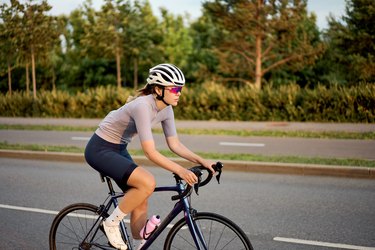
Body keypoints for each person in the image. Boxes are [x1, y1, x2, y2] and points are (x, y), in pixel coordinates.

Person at [85, 63, 215, 249]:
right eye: (175, 89)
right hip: (100, 149)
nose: (179, 93)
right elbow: (150, 152)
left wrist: (202, 161)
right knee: (148, 182)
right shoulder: (142, 106)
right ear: (157, 89)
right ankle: (110, 223)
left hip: (119, 148)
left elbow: (174, 144)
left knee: (141, 195)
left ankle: (139, 245)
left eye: (181, 89)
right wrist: (180, 170)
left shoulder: (167, 109)